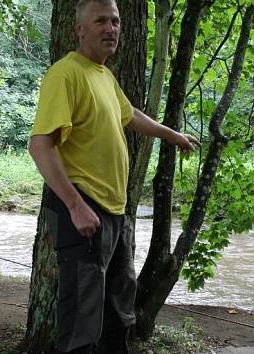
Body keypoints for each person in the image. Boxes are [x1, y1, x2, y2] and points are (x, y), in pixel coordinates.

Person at [28, 0, 199, 353]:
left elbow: (129, 113)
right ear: (79, 29)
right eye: (102, 21)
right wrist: (75, 206)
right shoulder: (65, 74)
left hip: (114, 212)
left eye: (116, 21)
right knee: (81, 323)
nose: (112, 28)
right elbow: (40, 146)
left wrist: (172, 134)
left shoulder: (103, 75)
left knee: (118, 313)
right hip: (83, 210)